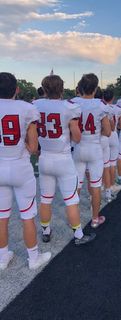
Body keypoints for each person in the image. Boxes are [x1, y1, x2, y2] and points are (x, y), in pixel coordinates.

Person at [33, 75, 95, 245]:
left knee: (45, 198)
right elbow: (77, 137)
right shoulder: (70, 107)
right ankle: (79, 235)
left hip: (45, 158)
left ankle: (46, 231)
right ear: (61, 88)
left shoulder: (35, 105)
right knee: (71, 200)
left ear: (44, 89)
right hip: (63, 160)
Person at [0, 72, 51, 270]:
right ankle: (33, 258)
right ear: (17, 89)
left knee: (2, 214)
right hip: (20, 167)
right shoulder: (27, 108)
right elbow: (32, 147)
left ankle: (3, 257)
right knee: (27, 214)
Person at [72, 74, 111, 228]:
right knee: (95, 186)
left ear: (80, 87)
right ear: (95, 89)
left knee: (77, 185)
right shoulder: (100, 105)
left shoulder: (72, 103)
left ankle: (74, 219)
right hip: (94, 149)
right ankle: (95, 218)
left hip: (78, 148)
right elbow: (107, 132)